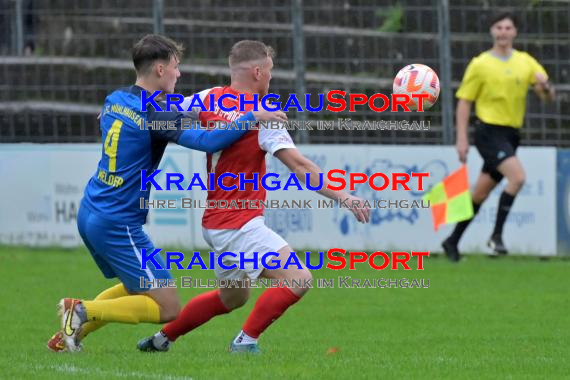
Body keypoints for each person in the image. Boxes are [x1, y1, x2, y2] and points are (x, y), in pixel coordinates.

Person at [47, 34, 286, 352]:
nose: (179, 73)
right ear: (160, 69)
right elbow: (208, 142)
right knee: (167, 306)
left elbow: (126, 119)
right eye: (175, 66)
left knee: (138, 287)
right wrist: (251, 116)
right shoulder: (156, 114)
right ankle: (80, 311)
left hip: (91, 210)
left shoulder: (115, 99)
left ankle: (71, 332)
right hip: (117, 221)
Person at [137, 40, 370, 354]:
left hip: (216, 223)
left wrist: (120, 113)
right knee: (298, 277)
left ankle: (161, 339)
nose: (271, 78)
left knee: (232, 297)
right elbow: (300, 167)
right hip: (239, 225)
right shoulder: (263, 117)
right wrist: (345, 197)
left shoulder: (207, 98)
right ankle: (245, 342)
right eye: (270, 71)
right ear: (258, 72)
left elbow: (158, 110)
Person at [442, 12, 555, 262]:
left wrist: (546, 87)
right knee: (518, 177)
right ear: (492, 32)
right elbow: (464, 103)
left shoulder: (526, 62)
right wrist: (461, 138)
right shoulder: (480, 64)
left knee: (479, 194)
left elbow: (547, 96)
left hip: (511, 134)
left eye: (508, 27)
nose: (503, 32)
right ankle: (497, 236)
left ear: (514, 32)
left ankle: (452, 241)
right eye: (498, 27)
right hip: (488, 132)